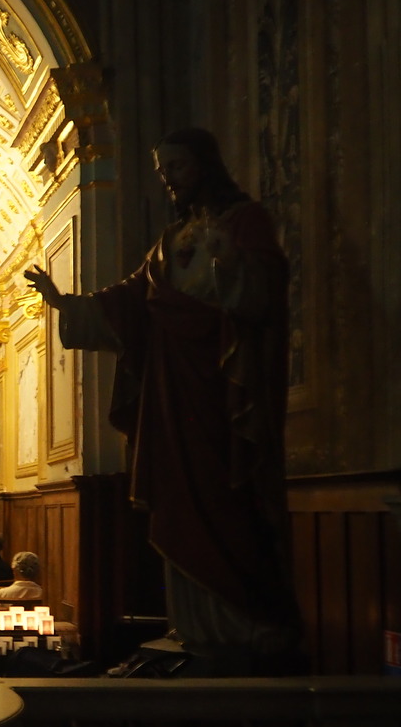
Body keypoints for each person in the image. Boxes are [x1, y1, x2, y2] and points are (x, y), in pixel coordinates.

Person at [24, 127, 299, 671]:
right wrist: (66, 303)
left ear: (204, 164)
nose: (168, 179)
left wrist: (229, 263)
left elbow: (263, 294)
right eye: (161, 171)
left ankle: (244, 624)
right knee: (179, 500)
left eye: (176, 167)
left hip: (220, 387)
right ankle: (195, 625)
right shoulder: (170, 240)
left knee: (223, 497)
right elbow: (130, 298)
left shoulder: (243, 222)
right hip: (171, 391)